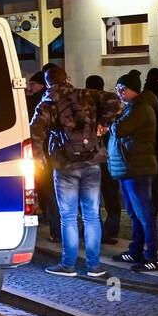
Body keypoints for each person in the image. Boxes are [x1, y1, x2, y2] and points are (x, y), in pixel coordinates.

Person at [31, 65, 122, 277]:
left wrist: (39, 157)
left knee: (68, 216)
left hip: (65, 165)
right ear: (67, 78)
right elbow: (115, 102)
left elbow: (35, 131)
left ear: (47, 83)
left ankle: (68, 264)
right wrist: (104, 123)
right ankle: (94, 266)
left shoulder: (46, 103)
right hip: (91, 162)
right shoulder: (86, 94)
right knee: (92, 215)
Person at [109, 70, 158, 271]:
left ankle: (151, 258)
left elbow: (120, 129)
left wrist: (116, 115)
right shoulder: (134, 107)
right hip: (129, 169)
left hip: (138, 169)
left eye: (122, 89)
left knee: (145, 215)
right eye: (117, 88)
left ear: (132, 90)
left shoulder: (141, 109)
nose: (119, 92)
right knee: (134, 214)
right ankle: (135, 251)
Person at [26, 68, 61, 242]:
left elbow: (34, 130)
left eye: (32, 84)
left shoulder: (41, 102)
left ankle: (57, 229)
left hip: (44, 154)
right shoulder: (68, 99)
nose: (29, 87)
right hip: (57, 153)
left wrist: (38, 155)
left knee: (49, 191)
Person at [86, 75, 121, 240]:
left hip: (91, 155)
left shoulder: (83, 105)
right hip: (109, 154)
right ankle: (112, 228)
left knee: (92, 196)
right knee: (111, 193)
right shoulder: (111, 105)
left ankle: (96, 229)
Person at [145, 67, 158, 228]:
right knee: (154, 189)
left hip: (157, 149)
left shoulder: (149, 97)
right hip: (154, 150)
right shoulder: (147, 100)